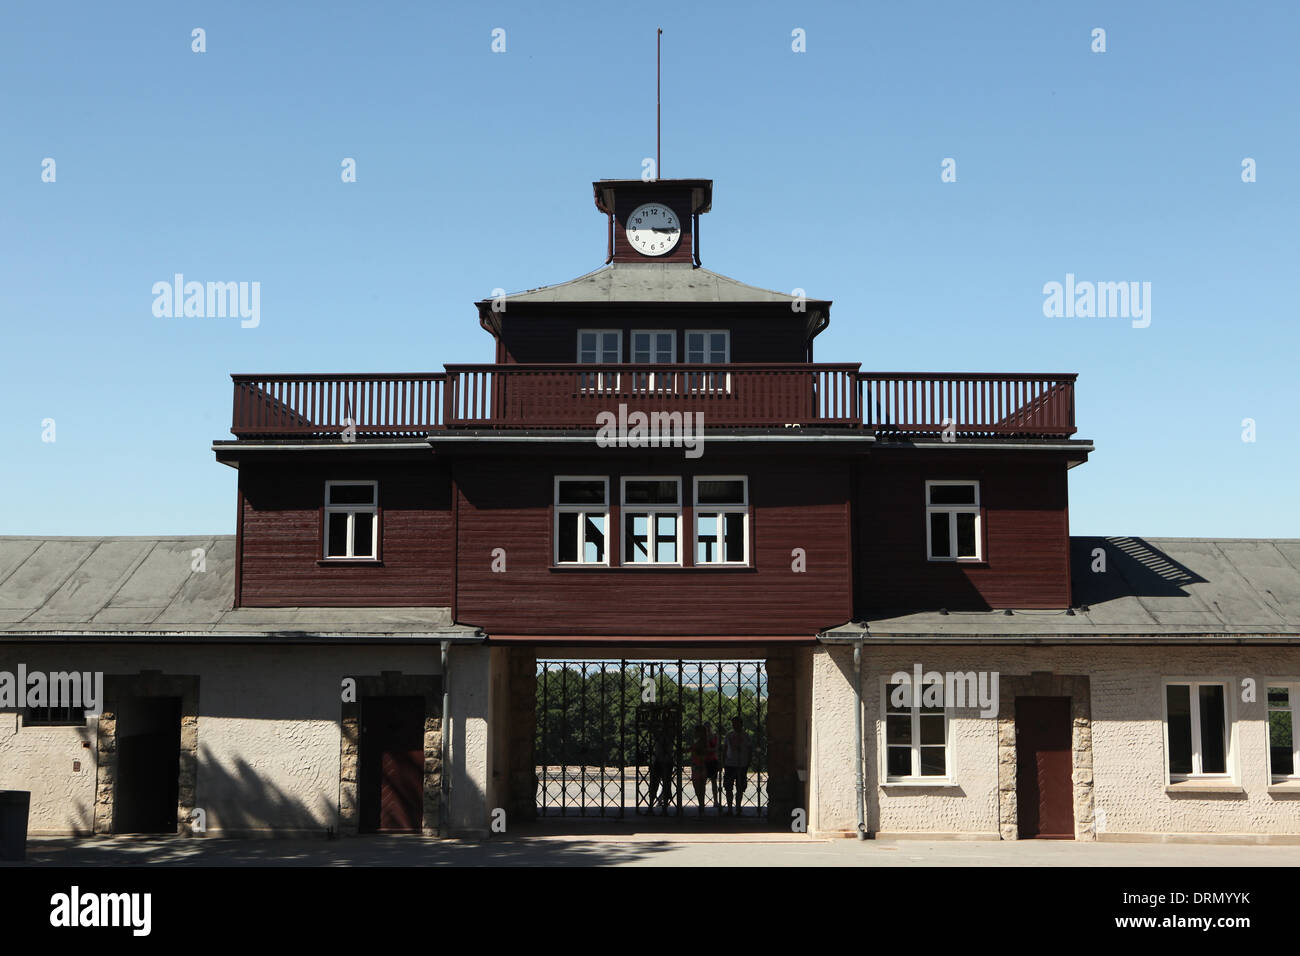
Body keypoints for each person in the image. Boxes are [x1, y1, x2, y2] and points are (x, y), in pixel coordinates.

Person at [723, 716, 752, 816]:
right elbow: (725, 748)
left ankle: (738, 808)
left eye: (736, 723)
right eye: (733, 723)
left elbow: (749, 749)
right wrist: (723, 761)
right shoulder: (729, 735)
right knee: (728, 787)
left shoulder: (746, 736)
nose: (734, 725)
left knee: (740, 788)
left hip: (741, 764)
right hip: (730, 764)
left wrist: (748, 761)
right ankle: (730, 809)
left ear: (741, 724)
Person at [648, 722, 675, 814]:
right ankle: (661, 807)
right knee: (661, 784)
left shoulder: (666, 735)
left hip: (662, 760)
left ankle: (654, 806)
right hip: (662, 760)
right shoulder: (668, 735)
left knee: (659, 784)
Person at [689, 724, 709, 817]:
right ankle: (701, 805)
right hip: (701, 766)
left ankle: (701, 805)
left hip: (698, 766)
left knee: (698, 787)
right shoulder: (703, 742)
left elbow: (701, 754)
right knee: (701, 787)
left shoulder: (700, 743)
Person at [703, 721, 722, 811]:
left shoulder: (714, 736)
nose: (707, 729)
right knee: (703, 782)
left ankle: (716, 801)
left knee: (714, 781)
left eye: (708, 727)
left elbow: (716, 748)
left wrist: (709, 750)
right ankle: (702, 801)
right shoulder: (703, 737)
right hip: (705, 760)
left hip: (712, 760)